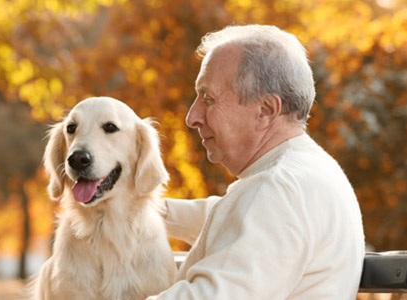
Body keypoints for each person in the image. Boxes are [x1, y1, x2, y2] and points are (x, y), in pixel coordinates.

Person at [146, 25, 365, 299]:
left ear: (265, 111)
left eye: (208, 98)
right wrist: (139, 209)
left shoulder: (277, 189)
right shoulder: (305, 172)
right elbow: (228, 218)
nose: (192, 117)